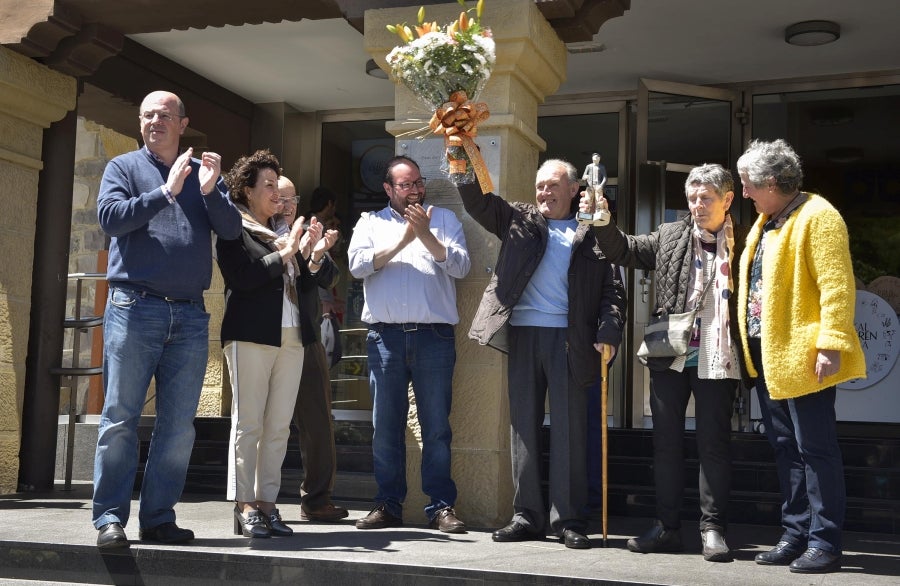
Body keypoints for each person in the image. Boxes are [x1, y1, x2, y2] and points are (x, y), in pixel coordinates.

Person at [93, 90, 241, 548]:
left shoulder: (203, 176)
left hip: (190, 315)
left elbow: (232, 230)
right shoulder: (123, 168)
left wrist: (210, 190)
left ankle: (158, 517)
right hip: (134, 307)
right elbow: (111, 220)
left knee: (178, 425)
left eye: (164, 115)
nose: (155, 121)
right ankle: (110, 519)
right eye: (148, 115)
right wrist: (164, 192)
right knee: (120, 417)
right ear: (141, 123)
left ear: (183, 123)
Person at [457, 159, 625, 550]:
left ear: (573, 189)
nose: (544, 193)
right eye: (540, 186)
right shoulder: (519, 218)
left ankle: (568, 520)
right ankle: (527, 516)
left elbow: (612, 290)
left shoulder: (595, 230)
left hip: (572, 341)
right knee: (523, 428)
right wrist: (460, 159)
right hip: (523, 336)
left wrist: (610, 330)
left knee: (569, 431)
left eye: (553, 186)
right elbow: (478, 203)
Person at [583, 163, 746, 562]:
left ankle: (712, 529)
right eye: (692, 197)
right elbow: (625, 249)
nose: (697, 204)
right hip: (670, 354)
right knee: (666, 444)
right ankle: (667, 527)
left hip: (718, 354)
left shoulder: (746, 241)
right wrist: (602, 218)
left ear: (727, 199)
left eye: (706, 198)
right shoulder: (672, 234)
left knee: (713, 444)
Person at [736, 139, 865, 574]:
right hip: (769, 356)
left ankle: (825, 541)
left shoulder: (819, 215)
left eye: (749, 183)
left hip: (804, 355)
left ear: (772, 182)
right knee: (786, 449)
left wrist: (831, 343)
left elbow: (837, 285)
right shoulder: (768, 219)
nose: (745, 192)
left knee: (816, 449)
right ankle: (795, 534)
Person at [216, 151, 337, 538]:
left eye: (277, 185)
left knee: (279, 426)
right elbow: (243, 277)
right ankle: (244, 504)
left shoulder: (285, 233)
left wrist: (311, 254)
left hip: (292, 336)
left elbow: (307, 282)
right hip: (251, 333)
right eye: (268, 185)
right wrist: (284, 254)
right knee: (248, 424)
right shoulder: (234, 227)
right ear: (248, 191)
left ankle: (268, 505)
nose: (276, 193)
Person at [348, 155, 471, 533]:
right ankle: (388, 504)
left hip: (434, 336)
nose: (416, 189)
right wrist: (405, 238)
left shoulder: (445, 220)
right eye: (406, 184)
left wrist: (428, 236)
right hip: (385, 337)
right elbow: (357, 266)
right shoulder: (370, 223)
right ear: (388, 189)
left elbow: (463, 267)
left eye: (418, 182)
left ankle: (441, 507)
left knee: (436, 427)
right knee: (386, 427)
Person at [277, 176, 349, 523]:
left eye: (293, 199)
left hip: (306, 338)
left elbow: (330, 278)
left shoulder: (307, 234)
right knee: (261, 425)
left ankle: (317, 499)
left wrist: (317, 254)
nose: (287, 206)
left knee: (318, 422)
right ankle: (256, 502)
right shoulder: (252, 232)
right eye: (280, 197)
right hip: (264, 341)